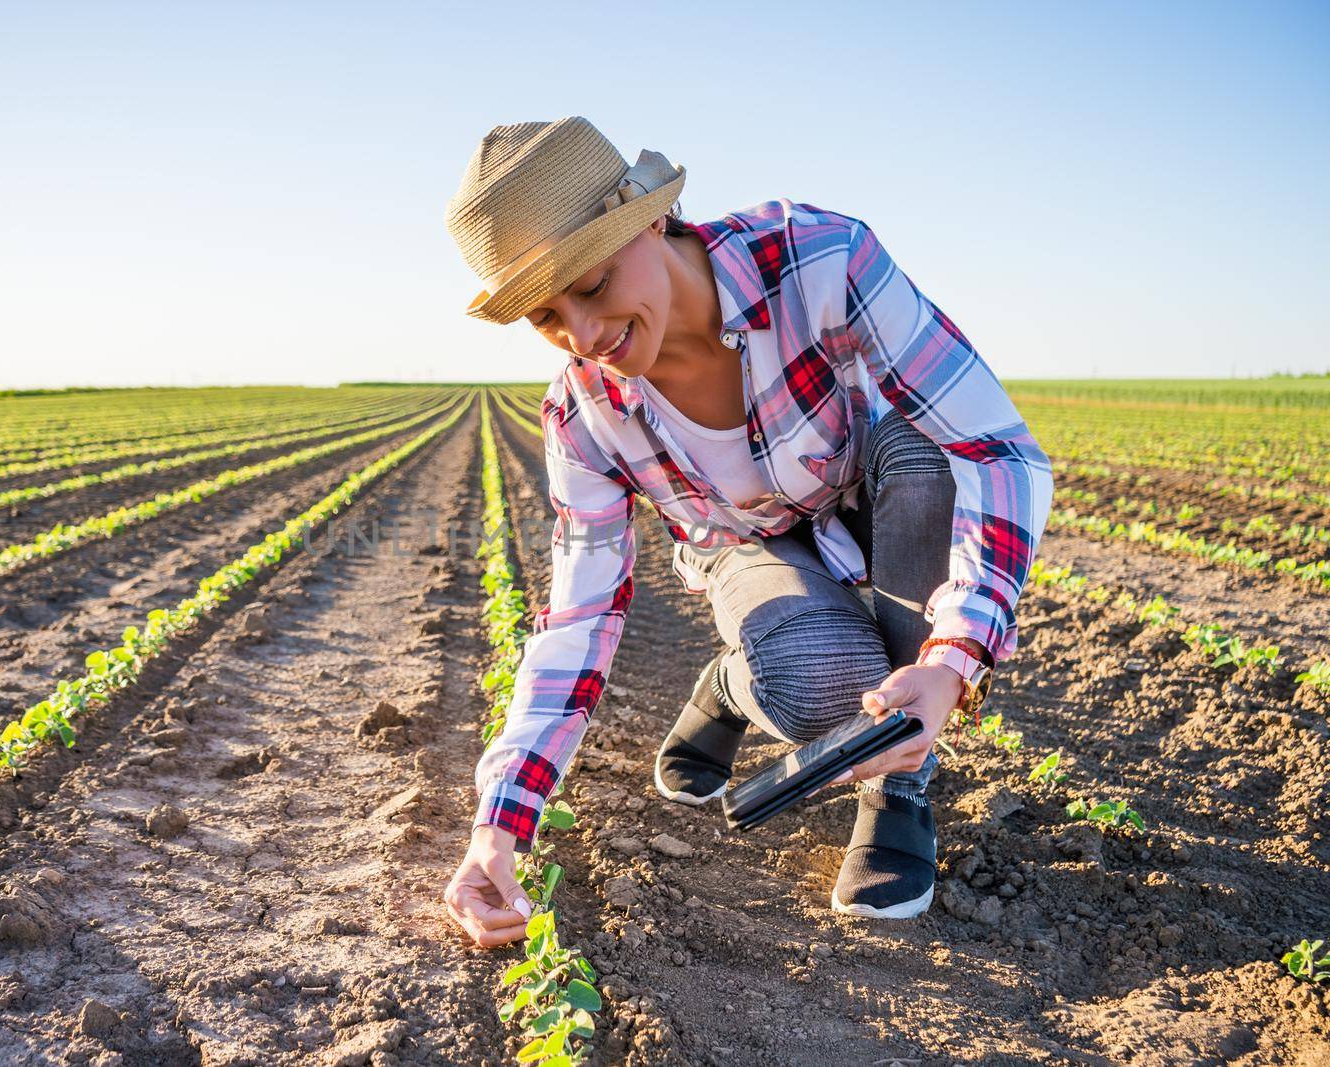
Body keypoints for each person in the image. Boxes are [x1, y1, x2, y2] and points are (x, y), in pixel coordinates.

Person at [439, 116, 1052, 948]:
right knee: (827, 683)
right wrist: (498, 827)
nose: (582, 338)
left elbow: (994, 446)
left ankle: (899, 787)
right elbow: (579, 615)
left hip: (868, 487)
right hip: (742, 543)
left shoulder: (820, 260)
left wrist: (952, 657)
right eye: (545, 317)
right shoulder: (584, 416)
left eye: (590, 284)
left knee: (924, 455)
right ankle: (732, 686)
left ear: (649, 219)